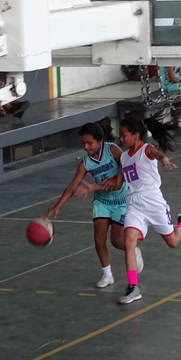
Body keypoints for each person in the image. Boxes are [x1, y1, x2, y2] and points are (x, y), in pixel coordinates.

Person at [43, 122, 137, 289]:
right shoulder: (86, 163)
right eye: (83, 143)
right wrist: (57, 206)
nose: (86, 147)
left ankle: (132, 250)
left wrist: (117, 179)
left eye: (89, 143)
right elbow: (73, 186)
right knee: (99, 238)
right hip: (102, 201)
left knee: (117, 241)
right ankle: (107, 275)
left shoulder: (112, 150)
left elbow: (127, 163)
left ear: (100, 140)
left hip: (121, 200)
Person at [117, 116, 181, 305]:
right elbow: (119, 181)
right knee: (128, 241)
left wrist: (164, 158)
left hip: (153, 201)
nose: (121, 139)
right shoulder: (123, 156)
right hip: (134, 203)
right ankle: (133, 287)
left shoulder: (146, 149)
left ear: (136, 135)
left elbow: (157, 154)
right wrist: (92, 187)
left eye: (124, 135)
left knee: (172, 242)